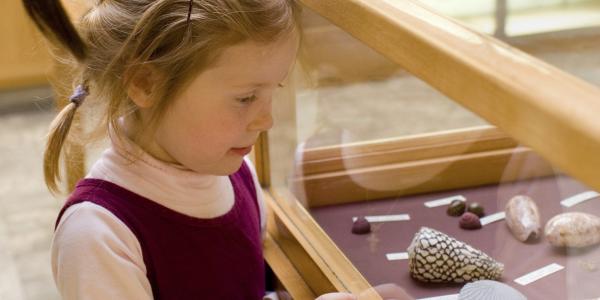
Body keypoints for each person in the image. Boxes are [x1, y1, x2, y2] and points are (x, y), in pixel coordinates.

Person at [23, 0, 411, 299]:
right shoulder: (98, 236)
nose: (266, 121)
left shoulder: (237, 172)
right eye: (245, 98)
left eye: (272, 91)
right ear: (145, 84)